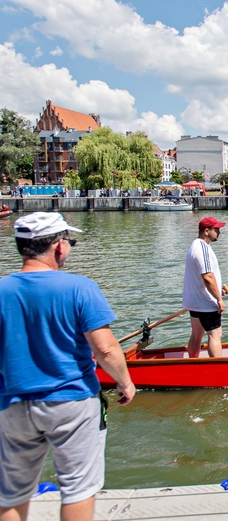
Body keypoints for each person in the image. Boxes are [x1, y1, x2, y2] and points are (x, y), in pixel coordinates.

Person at [0, 212, 136, 520]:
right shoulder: (79, 287)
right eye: (69, 241)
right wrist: (125, 382)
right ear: (58, 247)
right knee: (77, 489)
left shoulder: (2, 289)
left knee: (11, 493)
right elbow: (105, 348)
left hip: (13, 402)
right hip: (72, 400)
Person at [183, 216, 228, 358]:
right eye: (217, 229)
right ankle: (218, 370)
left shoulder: (195, 245)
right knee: (215, 334)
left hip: (195, 302)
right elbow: (207, 276)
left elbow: (202, 277)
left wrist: (218, 288)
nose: (219, 232)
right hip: (206, 304)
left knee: (196, 334)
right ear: (206, 231)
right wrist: (218, 298)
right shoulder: (202, 248)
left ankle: (192, 363)